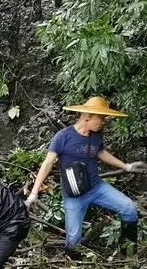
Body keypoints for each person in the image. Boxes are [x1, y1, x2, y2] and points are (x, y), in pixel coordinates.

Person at [25, 96, 144, 253]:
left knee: (129, 208)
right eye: (101, 118)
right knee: (73, 240)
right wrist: (34, 193)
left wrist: (126, 166)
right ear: (87, 117)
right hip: (74, 195)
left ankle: (128, 253)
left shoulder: (96, 136)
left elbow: (100, 152)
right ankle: (73, 266)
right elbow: (47, 164)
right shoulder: (63, 136)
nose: (103, 122)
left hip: (96, 188)